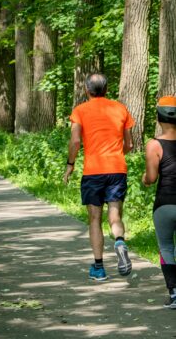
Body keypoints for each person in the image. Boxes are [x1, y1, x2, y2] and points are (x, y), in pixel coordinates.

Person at [64, 73, 134, 281]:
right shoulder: (120, 108)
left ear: (87, 90)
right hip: (116, 170)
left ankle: (99, 268)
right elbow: (129, 144)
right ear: (106, 89)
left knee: (95, 219)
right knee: (115, 216)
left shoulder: (80, 111)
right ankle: (120, 241)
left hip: (93, 171)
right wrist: (117, 156)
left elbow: (75, 141)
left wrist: (70, 164)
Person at [142, 96, 176, 309]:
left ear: (159, 117)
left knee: (166, 247)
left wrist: (143, 179)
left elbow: (151, 178)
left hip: (164, 203)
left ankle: (173, 293)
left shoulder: (154, 144)